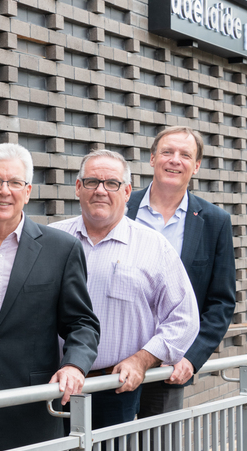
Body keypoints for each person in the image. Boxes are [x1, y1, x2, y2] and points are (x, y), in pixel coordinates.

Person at [0, 143, 99, 451]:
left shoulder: (61, 249)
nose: (5, 191)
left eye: (15, 182)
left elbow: (82, 323)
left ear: (27, 191)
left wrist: (74, 365)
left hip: (33, 410)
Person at [50, 149, 199, 429]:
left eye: (112, 183)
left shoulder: (153, 246)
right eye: (92, 182)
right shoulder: (51, 239)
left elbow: (185, 318)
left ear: (128, 191)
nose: (101, 191)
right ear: (78, 188)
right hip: (57, 386)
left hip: (114, 387)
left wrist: (143, 360)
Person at [126, 127, 236, 416]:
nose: (175, 160)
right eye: (167, 152)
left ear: (196, 166)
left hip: (169, 367)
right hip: (112, 363)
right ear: (152, 158)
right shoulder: (122, 207)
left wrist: (191, 357)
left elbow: (221, 302)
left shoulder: (215, 222)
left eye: (185, 155)